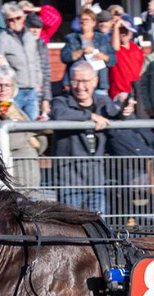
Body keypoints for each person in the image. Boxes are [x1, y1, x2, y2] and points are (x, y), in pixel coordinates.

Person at [49, 63, 120, 215]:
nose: (80, 86)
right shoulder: (60, 102)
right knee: (69, 229)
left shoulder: (103, 102)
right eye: (75, 81)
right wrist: (90, 117)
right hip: (69, 181)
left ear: (95, 81)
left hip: (96, 179)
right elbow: (59, 114)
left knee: (98, 227)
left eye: (85, 81)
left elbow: (119, 120)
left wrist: (126, 111)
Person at [0, 67, 45, 192]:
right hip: (8, 184)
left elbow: (42, 143)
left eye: (8, 85)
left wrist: (29, 131)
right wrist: (33, 130)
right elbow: (6, 141)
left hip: (31, 182)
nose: (3, 89)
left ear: (14, 89)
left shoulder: (15, 109)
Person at [0, 3, 49, 120]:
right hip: (15, 91)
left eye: (18, 18)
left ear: (23, 18)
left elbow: (37, 60)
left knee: (32, 126)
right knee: (15, 125)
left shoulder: (30, 36)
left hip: (32, 90)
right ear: (6, 21)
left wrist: (38, 81)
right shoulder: (2, 39)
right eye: (10, 19)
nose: (15, 22)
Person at [61, 8, 115, 91]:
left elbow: (113, 60)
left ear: (93, 22)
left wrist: (102, 56)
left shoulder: (103, 38)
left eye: (87, 19)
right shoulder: (71, 38)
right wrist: (79, 52)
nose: (84, 21)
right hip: (77, 84)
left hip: (99, 83)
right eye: (81, 20)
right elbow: (64, 57)